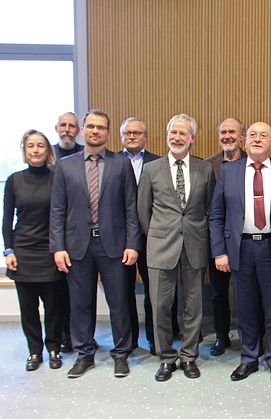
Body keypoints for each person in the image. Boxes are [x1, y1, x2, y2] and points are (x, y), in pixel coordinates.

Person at [50, 109, 141, 378]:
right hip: (77, 245)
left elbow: (131, 207)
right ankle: (84, 354)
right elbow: (57, 210)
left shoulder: (120, 164)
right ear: (82, 130)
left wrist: (132, 243)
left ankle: (121, 354)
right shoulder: (65, 166)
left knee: (119, 302)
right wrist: (58, 246)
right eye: (90, 126)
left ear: (108, 133)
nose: (95, 131)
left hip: (113, 244)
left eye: (101, 127)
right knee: (80, 303)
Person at [209, 121, 271, 384]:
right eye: (252, 135)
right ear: (245, 141)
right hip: (241, 247)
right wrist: (219, 252)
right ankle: (248, 358)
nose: (257, 139)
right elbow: (216, 214)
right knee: (245, 306)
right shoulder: (230, 171)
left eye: (264, 136)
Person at [138, 114, 215, 381]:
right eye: (174, 132)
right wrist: (157, 236)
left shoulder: (204, 169)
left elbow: (208, 207)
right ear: (167, 135)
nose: (178, 138)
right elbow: (142, 210)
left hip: (194, 244)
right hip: (161, 246)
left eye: (183, 133)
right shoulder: (151, 169)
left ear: (192, 138)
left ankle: (188, 356)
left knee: (194, 305)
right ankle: (167, 358)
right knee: (160, 305)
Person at [3, 130, 68, 371]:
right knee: (28, 307)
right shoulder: (14, 180)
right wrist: (8, 250)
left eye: (40, 145)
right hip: (23, 252)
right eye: (31, 146)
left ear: (48, 150)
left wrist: (61, 247)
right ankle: (34, 350)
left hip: (51, 250)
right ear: (25, 150)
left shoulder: (57, 177)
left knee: (53, 306)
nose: (36, 150)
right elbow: (7, 219)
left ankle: (54, 348)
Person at [119, 117, 165, 355]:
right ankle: (129, 341)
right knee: (123, 292)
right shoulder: (113, 162)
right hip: (121, 239)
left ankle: (155, 340)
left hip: (153, 238)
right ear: (121, 136)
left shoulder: (159, 163)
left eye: (137, 133)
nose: (132, 137)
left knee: (153, 293)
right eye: (127, 133)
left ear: (145, 136)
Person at [206, 117, 247, 356]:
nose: (228, 136)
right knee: (218, 293)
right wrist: (217, 246)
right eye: (223, 132)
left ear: (242, 136)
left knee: (248, 292)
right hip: (219, 241)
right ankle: (222, 336)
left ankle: (251, 336)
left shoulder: (252, 162)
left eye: (233, 132)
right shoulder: (208, 166)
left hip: (247, 241)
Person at [53, 111, 83, 352]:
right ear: (56, 128)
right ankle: (63, 337)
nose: (67, 130)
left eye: (71, 126)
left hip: (83, 235)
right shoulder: (48, 156)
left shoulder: (86, 153)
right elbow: (57, 206)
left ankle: (78, 338)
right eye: (63, 125)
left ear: (78, 130)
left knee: (78, 295)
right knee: (59, 292)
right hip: (61, 235)